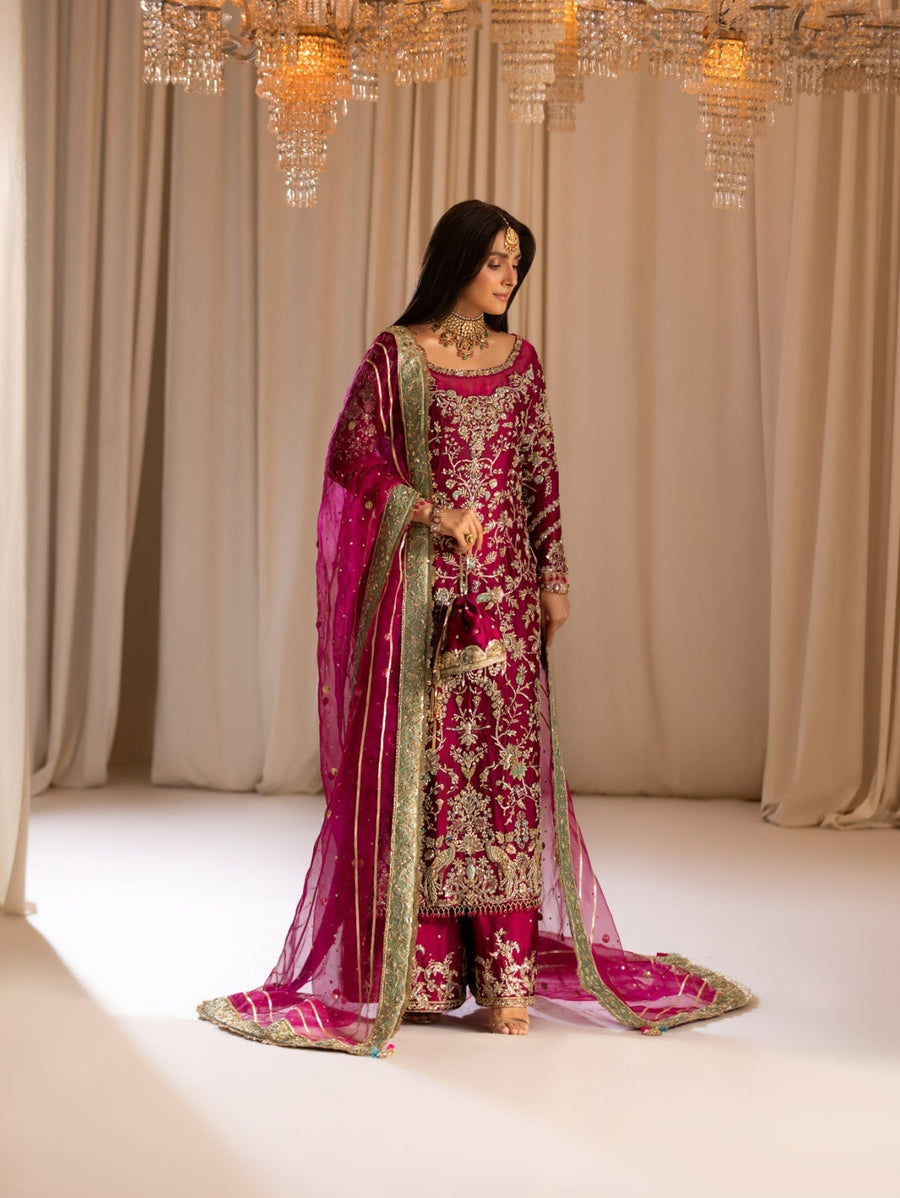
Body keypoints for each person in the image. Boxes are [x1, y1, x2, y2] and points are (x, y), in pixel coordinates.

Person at [198, 200, 750, 1056]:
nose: (508, 277)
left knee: (501, 774)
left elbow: (539, 467)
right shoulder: (397, 356)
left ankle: (505, 978)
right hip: (422, 601)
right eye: (496, 261)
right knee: (424, 775)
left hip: (506, 598)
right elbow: (353, 455)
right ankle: (418, 974)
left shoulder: (521, 361)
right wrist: (426, 510)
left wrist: (554, 577)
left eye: (516, 264)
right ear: (457, 259)